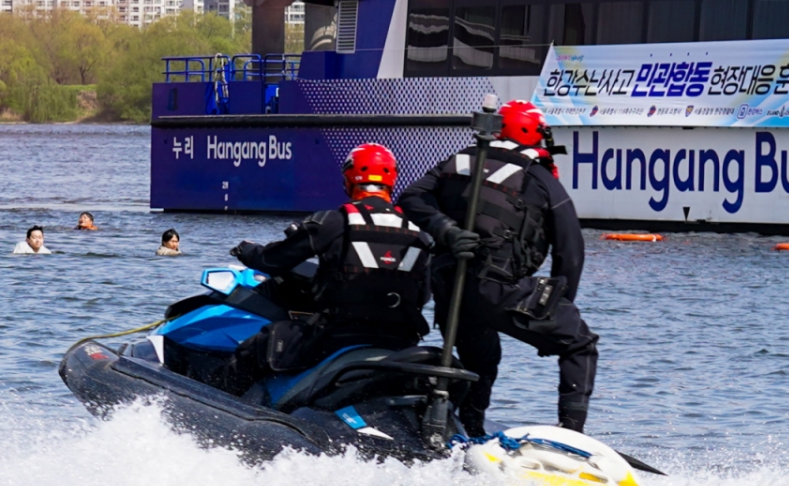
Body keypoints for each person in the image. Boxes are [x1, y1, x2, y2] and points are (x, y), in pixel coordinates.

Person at [396, 100, 598, 436]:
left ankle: (470, 428)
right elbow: (571, 252)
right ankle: (572, 434)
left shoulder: (457, 161)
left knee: (482, 360)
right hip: (497, 288)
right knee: (579, 343)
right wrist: (561, 307)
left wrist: (447, 229)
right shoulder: (539, 178)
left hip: (450, 293)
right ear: (531, 132)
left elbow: (411, 198)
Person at [227, 143, 433, 387]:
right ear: (392, 180)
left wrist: (247, 251)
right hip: (400, 342)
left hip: (338, 337)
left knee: (259, 346)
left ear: (348, 179)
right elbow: (424, 295)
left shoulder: (335, 222)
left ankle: (219, 414)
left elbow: (272, 260)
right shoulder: (421, 235)